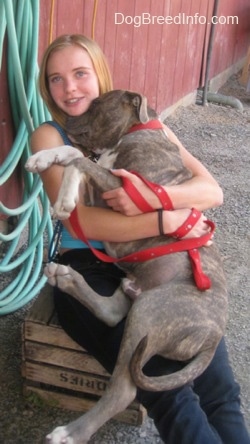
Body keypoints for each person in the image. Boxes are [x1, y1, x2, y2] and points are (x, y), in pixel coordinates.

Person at [30, 34, 250, 444]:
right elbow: (83, 223)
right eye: (56, 79)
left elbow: (212, 191)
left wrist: (163, 201)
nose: (69, 88)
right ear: (47, 87)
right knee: (167, 388)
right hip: (93, 269)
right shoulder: (50, 137)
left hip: (170, 266)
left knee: (220, 390)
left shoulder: (143, 123)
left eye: (80, 73)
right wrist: (172, 221)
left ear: (101, 74)